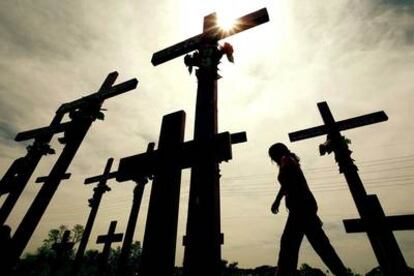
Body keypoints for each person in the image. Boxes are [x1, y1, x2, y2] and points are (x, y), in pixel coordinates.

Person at [268, 143, 348, 276]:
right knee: (319, 245)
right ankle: (342, 272)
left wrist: (277, 201)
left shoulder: (286, 161)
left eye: (272, 156)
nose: (272, 160)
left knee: (290, 245)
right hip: (303, 208)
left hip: (301, 209)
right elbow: (289, 183)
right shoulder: (289, 161)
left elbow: (288, 183)